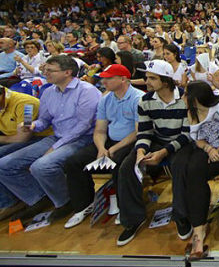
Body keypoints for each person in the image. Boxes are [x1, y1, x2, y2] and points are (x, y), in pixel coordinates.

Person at [0, 55, 101, 222]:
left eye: (50, 70)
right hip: (57, 136)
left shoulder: (87, 91)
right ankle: (38, 197)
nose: (45, 73)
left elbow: (83, 126)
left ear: (67, 72)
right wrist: (33, 125)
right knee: (4, 165)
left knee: (41, 166)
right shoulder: (48, 92)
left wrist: (56, 147)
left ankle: (64, 201)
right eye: (45, 69)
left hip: (83, 138)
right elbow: (44, 120)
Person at [116, 60, 191, 246]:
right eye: (147, 77)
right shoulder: (145, 101)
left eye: (152, 78)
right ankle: (133, 218)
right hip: (156, 141)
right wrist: (141, 151)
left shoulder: (185, 99)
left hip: (180, 143)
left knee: (180, 166)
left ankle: (182, 215)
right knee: (127, 167)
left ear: (165, 81)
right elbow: (145, 131)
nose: (146, 81)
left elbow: (187, 135)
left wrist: (164, 152)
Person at [62, 64, 144, 228]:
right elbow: (100, 129)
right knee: (73, 162)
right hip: (108, 141)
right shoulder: (105, 99)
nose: (104, 82)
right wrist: (101, 148)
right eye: (103, 78)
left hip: (130, 141)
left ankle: (123, 206)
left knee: (119, 164)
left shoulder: (138, 98)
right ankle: (84, 205)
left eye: (108, 78)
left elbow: (138, 132)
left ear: (123, 79)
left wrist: (114, 149)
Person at [171, 81, 219, 259]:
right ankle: (198, 229)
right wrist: (209, 149)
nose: (183, 97)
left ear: (197, 98)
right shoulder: (192, 112)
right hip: (207, 148)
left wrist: (218, 149)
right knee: (193, 170)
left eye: (186, 94)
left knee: (196, 174)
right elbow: (198, 140)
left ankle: (197, 231)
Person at [0, 86, 52, 220]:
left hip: (41, 138)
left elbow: (22, 138)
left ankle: (38, 197)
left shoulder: (26, 104)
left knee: (5, 163)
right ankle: (10, 200)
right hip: (14, 139)